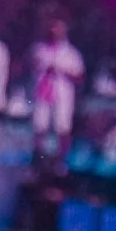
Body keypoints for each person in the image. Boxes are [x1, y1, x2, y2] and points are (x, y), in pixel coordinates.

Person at [30, 19, 84, 148]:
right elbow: (30, 66)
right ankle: (38, 157)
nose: (55, 33)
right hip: (43, 93)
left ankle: (61, 161)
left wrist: (61, 70)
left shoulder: (71, 53)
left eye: (59, 30)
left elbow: (80, 76)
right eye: (53, 30)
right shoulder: (40, 49)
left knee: (62, 127)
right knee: (40, 126)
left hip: (62, 93)